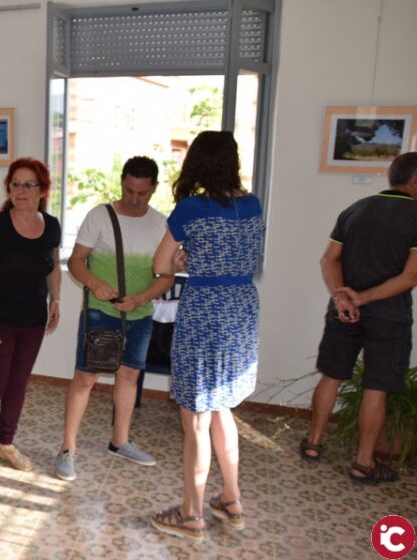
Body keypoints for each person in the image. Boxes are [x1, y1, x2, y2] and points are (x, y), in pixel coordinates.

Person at [148, 131, 264, 542]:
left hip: (207, 309)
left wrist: (184, 259)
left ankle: (191, 514)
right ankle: (231, 500)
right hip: (242, 307)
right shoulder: (252, 204)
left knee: (196, 416)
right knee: (222, 408)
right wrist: (193, 257)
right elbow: (239, 253)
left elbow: (161, 264)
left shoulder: (191, 208)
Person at [301, 152, 417, 484]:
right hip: (389, 315)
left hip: (343, 311)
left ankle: (313, 444)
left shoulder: (357, 208)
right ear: (414, 181)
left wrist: (342, 295)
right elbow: (411, 277)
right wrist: (362, 298)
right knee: (376, 387)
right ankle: (363, 463)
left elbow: (329, 260)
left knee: (331, 375)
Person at [54, 156, 172, 482]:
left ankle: (120, 441)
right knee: (86, 378)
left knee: (129, 377)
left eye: (143, 193)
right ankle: (67, 449)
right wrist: (95, 283)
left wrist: (142, 298)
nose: (135, 199)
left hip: (140, 314)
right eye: (130, 190)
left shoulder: (162, 224)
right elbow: (77, 261)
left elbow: (166, 276)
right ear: (122, 182)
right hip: (100, 312)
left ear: (154, 190)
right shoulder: (100, 216)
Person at [0, 157, 61, 484]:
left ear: (42, 189)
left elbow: (54, 268)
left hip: (33, 322)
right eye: (15, 184)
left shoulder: (52, 225)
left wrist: (56, 300)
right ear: (9, 188)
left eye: (28, 184)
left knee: (18, 385)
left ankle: (5, 443)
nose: (20, 190)